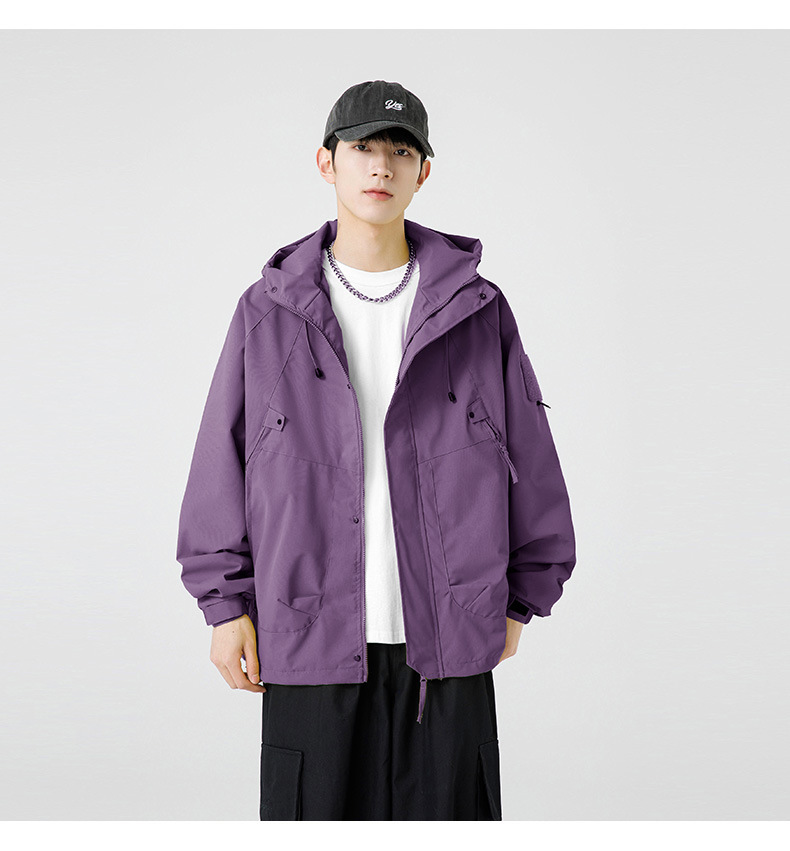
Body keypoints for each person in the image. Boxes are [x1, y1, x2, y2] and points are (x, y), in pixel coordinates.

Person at [176, 79, 577, 820]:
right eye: (363, 147)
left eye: (401, 150)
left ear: (424, 171)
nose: (381, 166)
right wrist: (224, 606)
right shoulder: (268, 312)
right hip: (307, 640)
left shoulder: (477, 310)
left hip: (446, 645)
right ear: (326, 162)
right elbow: (218, 464)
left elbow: (532, 457)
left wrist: (523, 599)